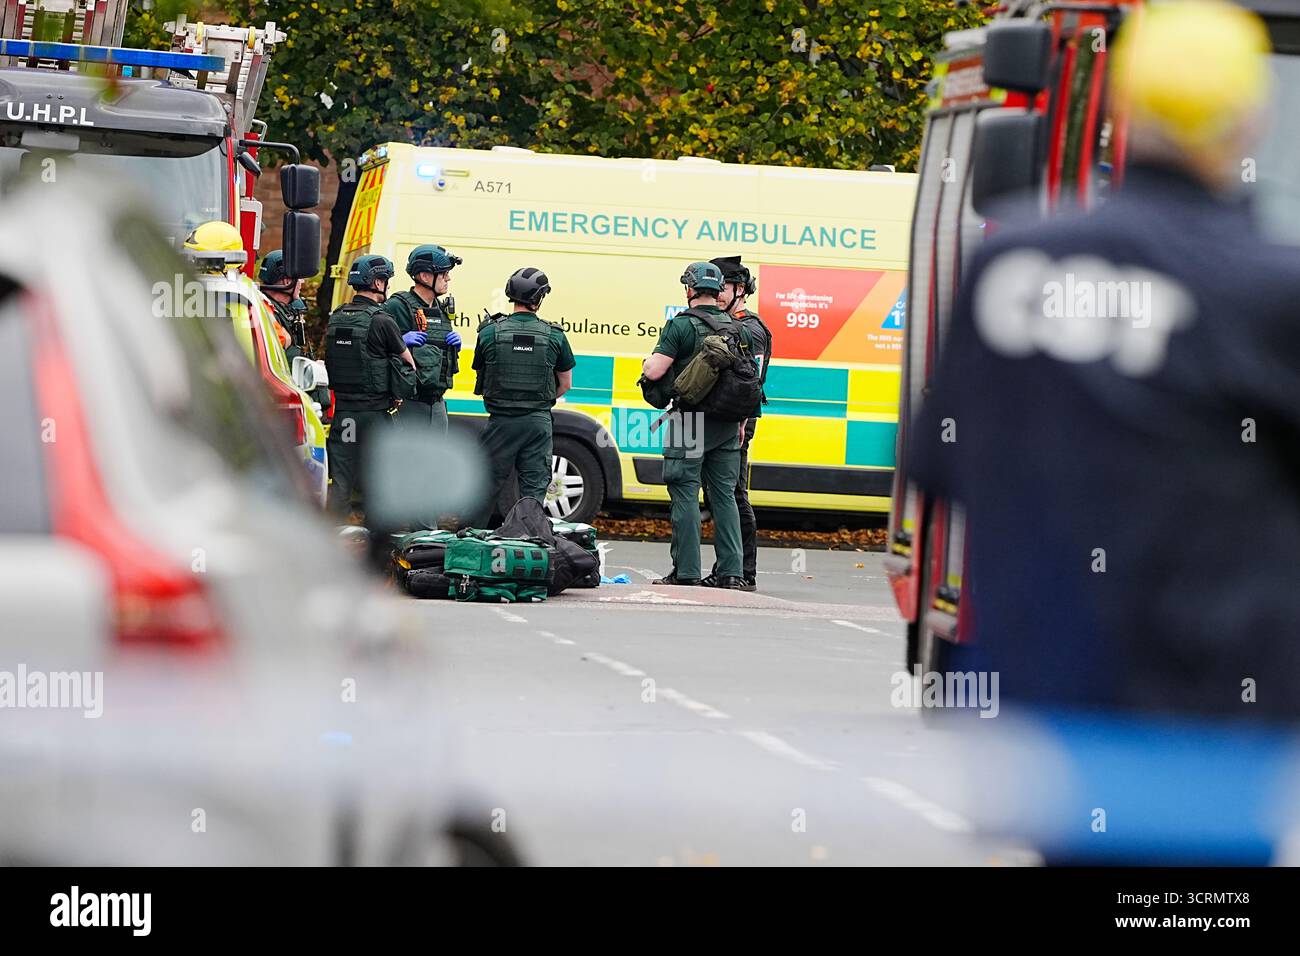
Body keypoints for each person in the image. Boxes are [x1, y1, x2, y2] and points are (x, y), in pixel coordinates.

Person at [908, 0, 1300, 720]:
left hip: (1045, 690)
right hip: (1226, 695)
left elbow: (944, 464)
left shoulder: (1012, 261)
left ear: (1118, 101)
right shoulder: (1272, 291)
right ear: (1254, 122)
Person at [641, 261, 748, 588]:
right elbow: (747, 380)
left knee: (685, 493)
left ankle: (686, 571)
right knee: (724, 497)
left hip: (688, 422)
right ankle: (731, 573)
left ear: (689, 289)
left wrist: (646, 363)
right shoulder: (737, 327)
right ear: (718, 292)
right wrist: (742, 422)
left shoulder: (681, 326)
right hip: (728, 423)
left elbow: (656, 371)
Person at [470, 267, 575, 527]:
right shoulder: (555, 335)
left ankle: (468, 544)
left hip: (500, 422)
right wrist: (539, 403)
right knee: (533, 490)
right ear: (537, 299)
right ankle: (527, 545)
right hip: (537, 423)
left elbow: (482, 379)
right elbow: (565, 383)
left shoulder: (488, 333)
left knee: (483, 487)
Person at [324, 254, 419, 519]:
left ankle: (336, 530)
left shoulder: (336, 318)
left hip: (344, 414)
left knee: (342, 476)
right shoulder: (381, 320)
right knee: (379, 476)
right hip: (374, 415)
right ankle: (376, 539)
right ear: (377, 282)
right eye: (385, 280)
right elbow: (407, 363)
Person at [701, 254, 771, 590]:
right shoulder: (729, 322)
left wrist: (742, 421)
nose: (716, 293)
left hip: (739, 418)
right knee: (719, 494)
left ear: (739, 289)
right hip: (726, 416)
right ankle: (729, 567)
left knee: (732, 494)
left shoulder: (750, 328)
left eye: (722, 287)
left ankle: (743, 571)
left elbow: (749, 382)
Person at [384, 244, 464, 433]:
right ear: (425, 276)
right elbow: (374, 349)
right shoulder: (397, 306)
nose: (448, 278)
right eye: (443, 273)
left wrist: (454, 348)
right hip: (409, 405)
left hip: (437, 406)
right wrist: (399, 341)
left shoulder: (441, 309)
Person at [259, 248, 330, 412]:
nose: (302, 283)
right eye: (299, 279)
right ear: (286, 281)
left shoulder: (276, 309)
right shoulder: (265, 311)